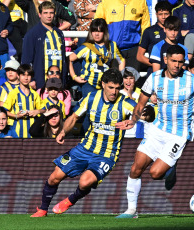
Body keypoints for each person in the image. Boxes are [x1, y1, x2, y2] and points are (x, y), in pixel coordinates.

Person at [115, 45, 194, 218]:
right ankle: (131, 211)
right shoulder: (154, 78)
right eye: (174, 61)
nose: (177, 65)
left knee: (155, 173)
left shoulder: (193, 80)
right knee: (135, 169)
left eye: (181, 62)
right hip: (158, 129)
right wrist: (133, 120)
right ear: (166, 60)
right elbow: (141, 104)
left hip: (180, 133)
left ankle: (169, 169)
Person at [30, 69, 136, 217]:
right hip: (85, 148)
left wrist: (135, 119)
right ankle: (42, 209)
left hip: (106, 154)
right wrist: (62, 132)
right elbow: (73, 117)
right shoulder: (91, 98)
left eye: (118, 88)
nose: (114, 92)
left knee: (85, 182)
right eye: (111, 87)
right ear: (103, 84)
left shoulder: (124, 103)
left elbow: (143, 111)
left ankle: (71, 200)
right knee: (54, 176)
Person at [69, 18, 125, 97]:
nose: (96, 34)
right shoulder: (86, 47)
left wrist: (119, 78)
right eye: (94, 31)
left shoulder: (112, 46)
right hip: (88, 83)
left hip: (106, 84)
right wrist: (74, 77)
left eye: (99, 31)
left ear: (104, 32)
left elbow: (121, 60)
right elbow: (69, 59)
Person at [21, 1, 67, 89]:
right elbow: (26, 60)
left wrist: (64, 79)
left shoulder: (59, 33)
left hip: (59, 83)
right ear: (39, 14)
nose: (49, 16)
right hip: (40, 82)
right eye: (45, 13)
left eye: (51, 13)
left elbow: (63, 58)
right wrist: (31, 80)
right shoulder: (32, 33)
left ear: (55, 14)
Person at [95, 0, 150, 71]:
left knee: (132, 79)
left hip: (134, 48)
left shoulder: (141, 2)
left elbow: (146, 27)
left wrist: (142, 46)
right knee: (114, 78)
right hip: (112, 47)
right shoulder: (106, 2)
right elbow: (97, 25)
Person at [3, 64, 44, 138]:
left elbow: (44, 110)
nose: (26, 78)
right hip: (17, 133)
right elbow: (4, 111)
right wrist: (16, 116)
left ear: (31, 77)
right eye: (23, 75)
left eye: (28, 75)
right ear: (18, 76)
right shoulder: (13, 93)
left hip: (32, 133)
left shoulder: (34, 94)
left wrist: (37, 111)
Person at [137, 1, 172, 81]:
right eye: (160, 14)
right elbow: (139, 56)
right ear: (156, 14)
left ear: (170, 14)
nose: (163, 17)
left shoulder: (175, 31)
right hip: (154, 72)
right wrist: (156, 63)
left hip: (173, 72)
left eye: (166, 14)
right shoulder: (149, 31)